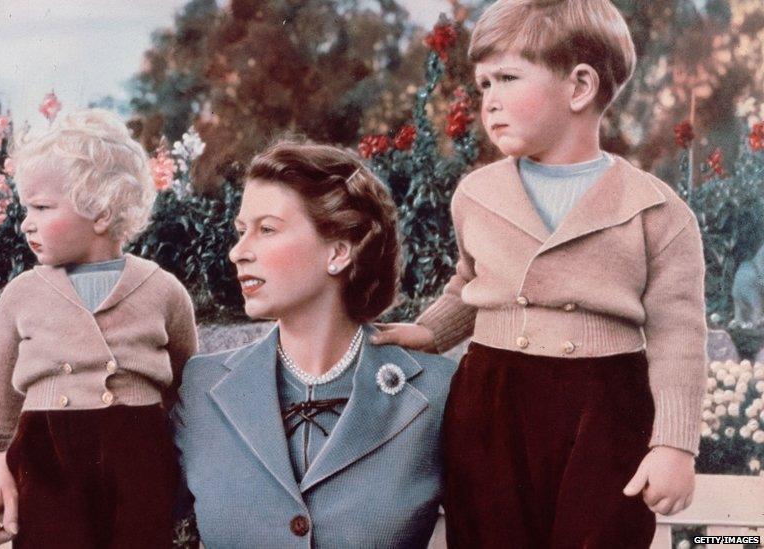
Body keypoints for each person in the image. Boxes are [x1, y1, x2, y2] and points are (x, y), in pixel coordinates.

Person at [372, 1, 707, 546]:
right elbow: (470, 283)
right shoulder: (478, 195)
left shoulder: (656, 211)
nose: (490, 101)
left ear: (579, 87)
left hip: (606, 408)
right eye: (483, 85)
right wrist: (431, 331)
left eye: (507, 78)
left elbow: (678, 333)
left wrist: (674, 445)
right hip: (493, 399)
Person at [172, 140, 455, 547]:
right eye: (240, 232)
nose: (238, 252)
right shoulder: (202, 388)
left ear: (339, 252)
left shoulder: (436, 392)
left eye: (266, 229)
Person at [0, 109, 198, 548]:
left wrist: (185, 460)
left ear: (102, 212)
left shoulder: (163, 291)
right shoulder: (23, 294)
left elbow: (188, 385)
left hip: (139, 455)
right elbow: (2, 395)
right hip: (48, 456)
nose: (26, 222)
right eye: (25, 208)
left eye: (43, 207)